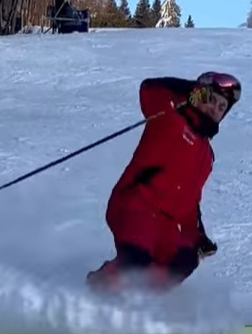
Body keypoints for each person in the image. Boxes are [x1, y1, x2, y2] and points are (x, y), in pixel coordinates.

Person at [86, 71, 241, 292]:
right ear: (199, 95)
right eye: (211, 100)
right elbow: (149, 89)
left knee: (184, 261)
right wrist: (191, 89)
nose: (214, 109)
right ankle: (97, 288)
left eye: (221, 107)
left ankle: (141, 300)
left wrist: (197, 236)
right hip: (136, 206)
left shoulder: (206, 156)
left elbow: (190, 200)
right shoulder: (171, 118)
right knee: (137, 260)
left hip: (164, 224)